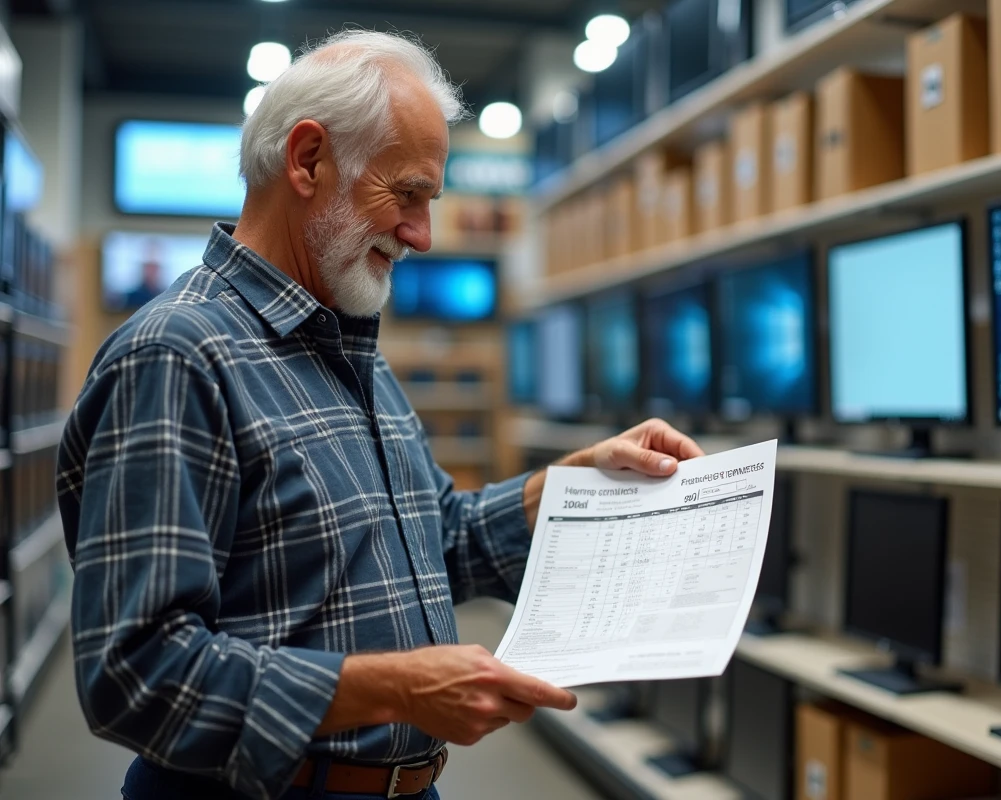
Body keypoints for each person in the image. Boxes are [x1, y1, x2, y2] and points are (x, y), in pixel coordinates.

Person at [57, 30, 704, 800]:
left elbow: (437, 541)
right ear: (307, 160)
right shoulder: (177, 356)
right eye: (407, 194)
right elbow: (136, 673)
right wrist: (390, 689)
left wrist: (571, 484)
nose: (423, 236)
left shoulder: (348, 347)